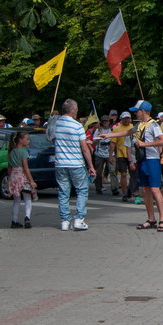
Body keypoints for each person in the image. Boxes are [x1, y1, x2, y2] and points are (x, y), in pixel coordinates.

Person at [107, 100, 163, 231]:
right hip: (142, 160)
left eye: (137, 111)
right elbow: (126, 133)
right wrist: (108, 135)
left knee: (155, 189)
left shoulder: (153, 125)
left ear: (143, 111)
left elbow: (162, 141)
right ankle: (151, 219)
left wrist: (144, 144)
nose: (135, 113)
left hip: (152, 160)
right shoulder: (139, 125)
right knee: (145, 190)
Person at [53, 99, 97, 231]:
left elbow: (49, 138)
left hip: (60, 163)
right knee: (82, 190)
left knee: (63, 192)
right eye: (76, 110)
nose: (77, 112)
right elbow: (84, 148)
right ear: (72, 111)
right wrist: (91, 166)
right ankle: (79, 219)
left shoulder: (55, 124)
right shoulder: (77, 126)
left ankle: (65, 221)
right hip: (76, 163)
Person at [7, 132, 37, 229]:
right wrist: (31, 181)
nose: (28, 141)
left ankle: (14, 221)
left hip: (13, 176)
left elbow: (9, 168)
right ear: (20, 140)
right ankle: (27, 218)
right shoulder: (24, 152)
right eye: (27, 139)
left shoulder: (11, 152)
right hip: (22, 177)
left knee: (16, 201)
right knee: (27, 198)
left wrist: (10, 178)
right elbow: (26, 168)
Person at [111, 112, 136, 201]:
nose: (126, 120)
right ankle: (125, 193)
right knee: (124, 174)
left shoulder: (133, 127)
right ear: (121, 119)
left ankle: (130, 189)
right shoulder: (116, 129)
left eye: (128, 118)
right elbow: (113, 143)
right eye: (125, 118)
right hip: (121, 154)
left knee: (133, 175)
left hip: (132, 155)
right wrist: (110, 155)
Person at [92, 116, 117, 195]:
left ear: (109, 122)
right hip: (99, 154)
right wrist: (98, 138)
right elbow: (94, 143)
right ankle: (98, 188)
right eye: (104, 121)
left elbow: (114, 142)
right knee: (98, 172)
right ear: (102, 122)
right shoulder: (98, 130)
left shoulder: (112, 130)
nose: (106, 122)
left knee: (112, 171)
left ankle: (114, 188)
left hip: (110, 153)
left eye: (107, 121)